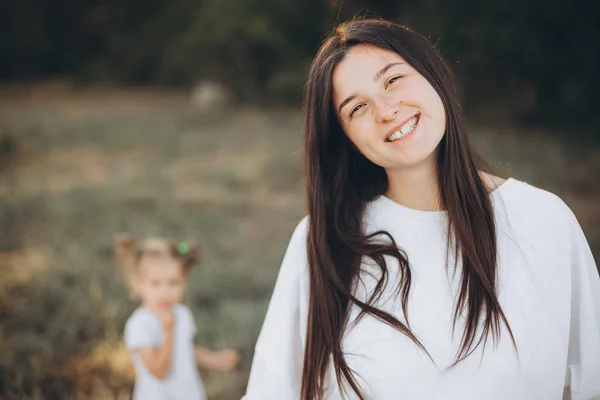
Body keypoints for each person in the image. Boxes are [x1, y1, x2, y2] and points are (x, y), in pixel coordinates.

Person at [242, 18, 600, 400]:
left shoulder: (543, 220)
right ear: (345, 139)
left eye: (393, 80)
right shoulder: (322, 241)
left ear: (433, 75)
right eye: (357, 107)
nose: (386, 109)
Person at [116, 234, 239, 400]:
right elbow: (158, 372)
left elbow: (184, 348)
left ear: (184, 281)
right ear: (137, 284)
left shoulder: (182, 313)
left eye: (174, 282)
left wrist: (215, 360)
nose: (165, 291)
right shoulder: (140, 323)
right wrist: (168, 332)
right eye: (155, 283)